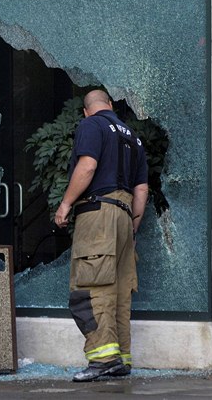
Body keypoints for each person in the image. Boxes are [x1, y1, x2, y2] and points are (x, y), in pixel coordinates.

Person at [55, 89, 149, 382]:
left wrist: (66, 203)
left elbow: (88, 165)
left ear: (86, 110)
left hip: (98, 213)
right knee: (119, 291)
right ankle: (120, 358)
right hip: (123, 215)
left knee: (92, 286)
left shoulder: (90, 125)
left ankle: (102, 359)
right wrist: (132, 225)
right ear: (110, 105)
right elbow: (142, 190)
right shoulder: (132, 137)